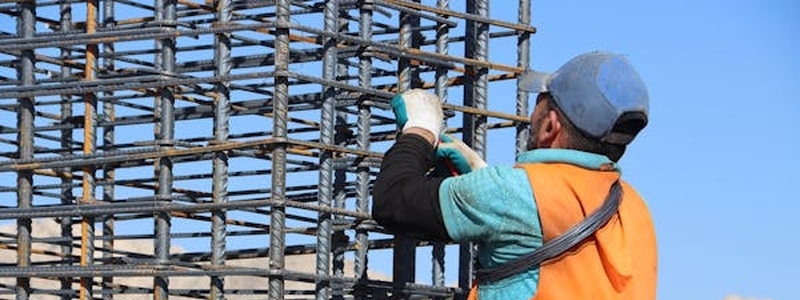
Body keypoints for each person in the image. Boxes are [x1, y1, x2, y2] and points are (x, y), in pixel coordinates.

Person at [372, 51, 657, 300]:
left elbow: (393, 200)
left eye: (540, 103)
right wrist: (482, 177)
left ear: (550, 126)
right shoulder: (635, 207)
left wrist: (420, 130)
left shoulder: (513, 194)